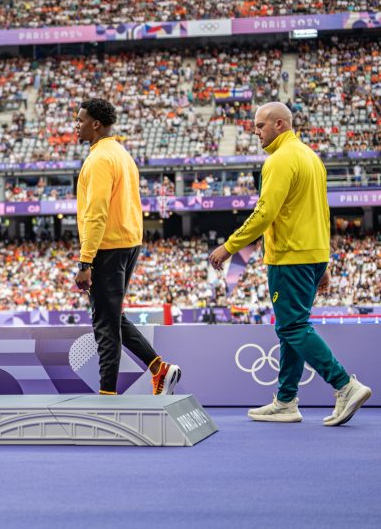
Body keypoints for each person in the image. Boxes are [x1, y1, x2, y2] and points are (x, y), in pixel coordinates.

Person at [209, 102, 371, 425]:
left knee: (292, 326)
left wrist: (230, 247)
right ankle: (286, 400)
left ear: (280, 124)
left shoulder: (279, 160)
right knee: (291, 329)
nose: (254, 132)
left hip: (289, 259)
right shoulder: (312, 158)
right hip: (311, 257)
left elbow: (264, 213)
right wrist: (323, 263)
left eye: (259, 126)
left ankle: (344, 384)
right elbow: (323, 214)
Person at [73, 98, 181, 396]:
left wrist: (85, 262)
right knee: (113, 317)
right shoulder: (121, 154)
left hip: (107, 247)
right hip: (128, 243)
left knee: (105, 325)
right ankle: (159, 368)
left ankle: (107, 395)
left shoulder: (98, 160)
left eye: (80, 120)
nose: (76, 125)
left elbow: (96, 214)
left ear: (95, 124)